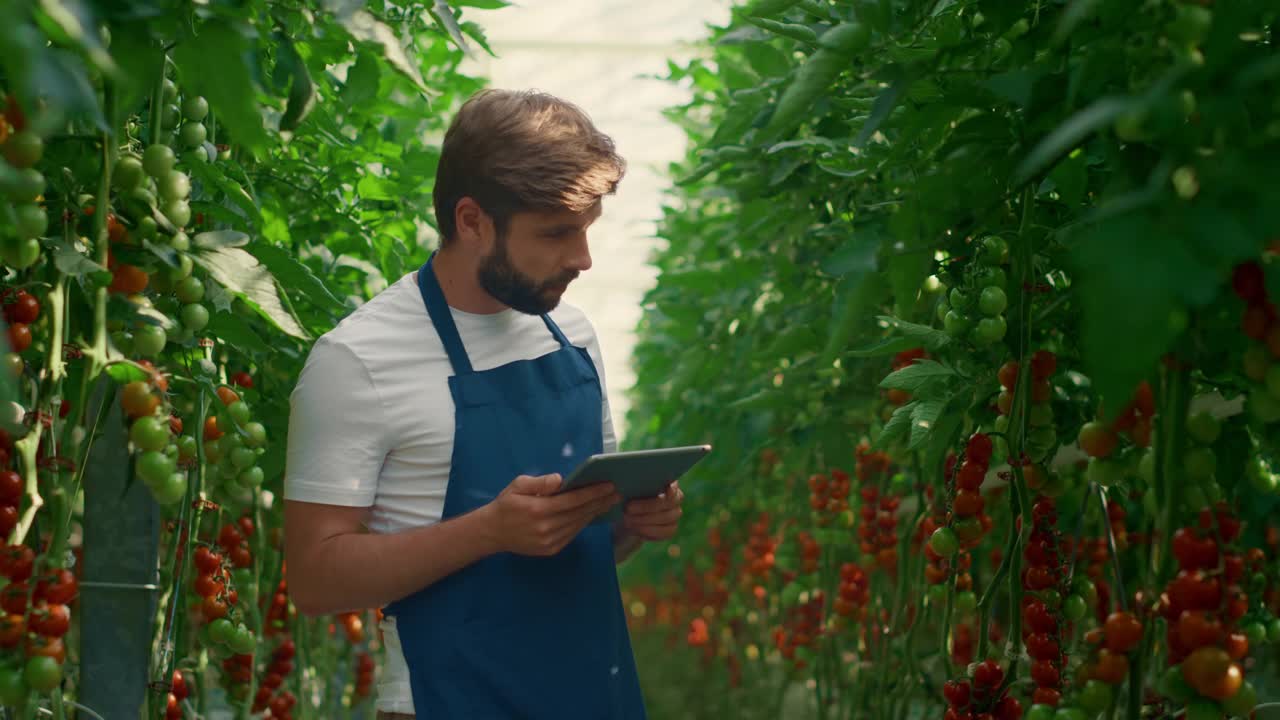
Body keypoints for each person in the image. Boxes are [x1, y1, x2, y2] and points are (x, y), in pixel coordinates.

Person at [281, 89, 683, 720]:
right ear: (472, 221)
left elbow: (580, 545)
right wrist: (488, 532)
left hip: (589, 698)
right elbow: (313, 578)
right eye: (556, 233)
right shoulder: (358, 359)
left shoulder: (572, 335)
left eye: (585, 230)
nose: (581, 258)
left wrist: (632, 523)